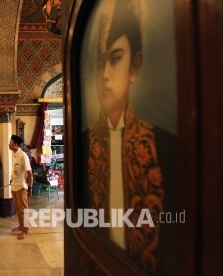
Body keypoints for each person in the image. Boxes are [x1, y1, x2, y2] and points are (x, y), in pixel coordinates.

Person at [83, 0, 176, 273]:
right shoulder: (85, 141)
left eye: (115, 59)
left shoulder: (164, 146)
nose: (105, 75)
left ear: (134, 66)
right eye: (101, 61)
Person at [9, 135, 33, 240]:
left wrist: (30, 187)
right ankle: (21, 226)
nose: (9, 144)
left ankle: (25, 230)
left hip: (21, 187)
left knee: (24, 210)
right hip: (14, 186)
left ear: (15, 144)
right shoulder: (14, 154)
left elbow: (29, 173)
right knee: (18, 209)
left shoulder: (23, 156)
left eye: (10, 142)